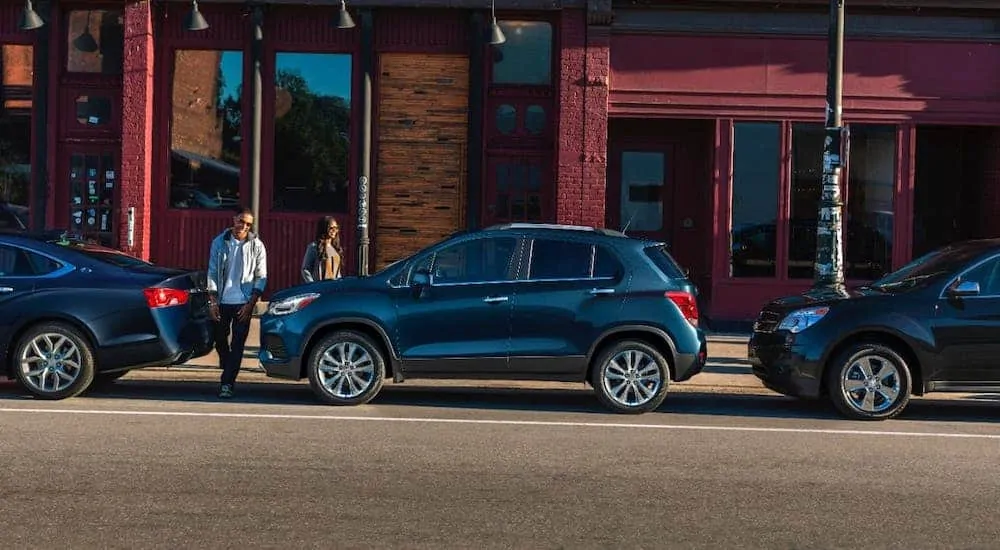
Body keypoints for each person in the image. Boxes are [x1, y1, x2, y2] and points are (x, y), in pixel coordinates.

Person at [206, 206, 268, 399]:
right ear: (234, 220)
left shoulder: (257, 245)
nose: (244, 226)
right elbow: (213, 271)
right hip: (223, 300)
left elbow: (261, 275)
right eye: (241, 221)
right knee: (220, 339)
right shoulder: (220, 242)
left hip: (243, 301)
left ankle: (227, 383)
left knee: (238, 344)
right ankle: (227, 363)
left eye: (248, 224)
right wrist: (213, 301)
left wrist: (251, 304)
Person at [301, 216, 343, 283]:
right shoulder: (314, 247)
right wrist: (313, 285)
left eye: (336, 228)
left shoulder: (336, 249)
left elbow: (337, 272)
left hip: (334, 289)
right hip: (321, 289)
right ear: (324, 228)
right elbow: (305, 269)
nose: (334, 231)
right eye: (331, 228)